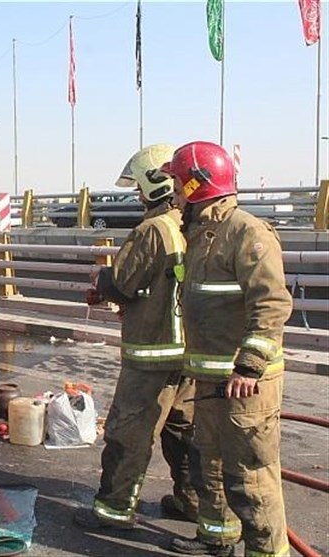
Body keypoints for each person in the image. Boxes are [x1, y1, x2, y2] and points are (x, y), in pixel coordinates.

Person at [162, 141, 292, 557]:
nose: (173, 191)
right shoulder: (201, 235)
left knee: (251, 480)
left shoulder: (247, 232)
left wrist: (250, 366)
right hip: (212, 380)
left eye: (178, 182)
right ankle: (216, 539)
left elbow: (271, 303)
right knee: (210, 466)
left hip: (243, 386)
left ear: (195, 184)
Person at [73, 144, 199, 531]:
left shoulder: (151, 230)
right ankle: (192, 501)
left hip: (153, 355)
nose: (137, 195)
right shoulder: (191, 226)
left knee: (130, 433)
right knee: (185, 434)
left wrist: (102, 280)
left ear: (151, 184)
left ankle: (114, 509)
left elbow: (124, 284)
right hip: (190, 355)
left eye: (139, 187)